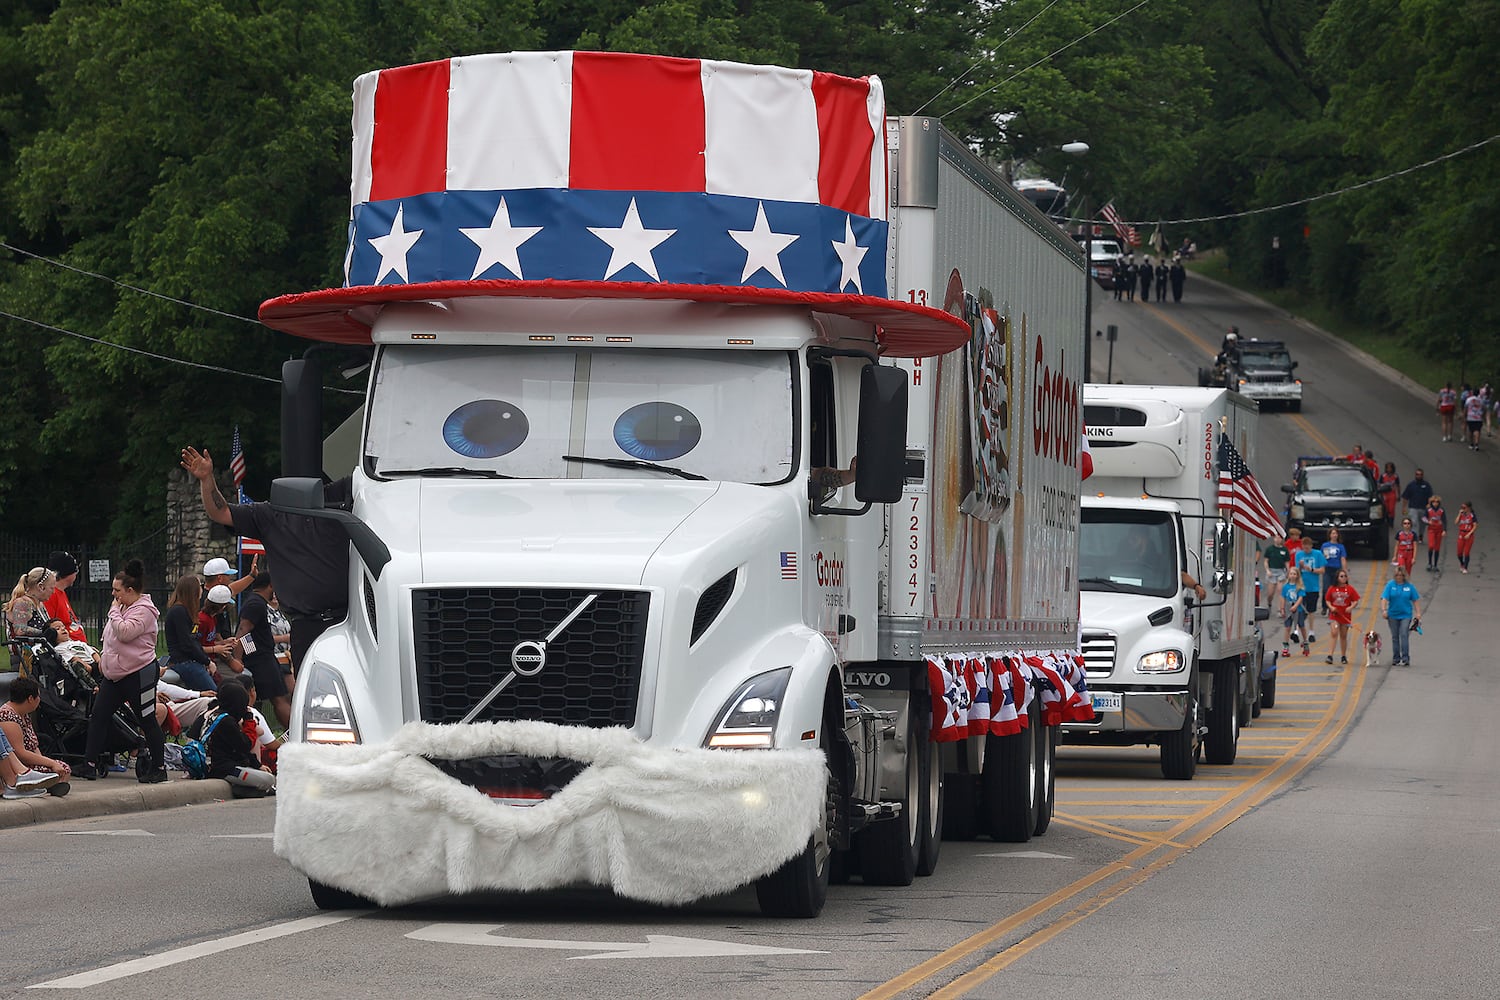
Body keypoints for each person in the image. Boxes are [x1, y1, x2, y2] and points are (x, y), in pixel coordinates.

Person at [181, 446, 352, 672]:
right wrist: (206, 479)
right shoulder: (270, 515)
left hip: (350, 619)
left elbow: (375, 483)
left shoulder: (335, 498)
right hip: (305, 625)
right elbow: (220, 513)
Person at [80, 560, 167, 783]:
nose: (113, 594)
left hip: (139, 673)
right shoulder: (122, 607)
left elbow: (125, 633)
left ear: (130, 590)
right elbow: (111, 637)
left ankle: (159, 767)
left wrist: (114, 610)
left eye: (117, 590)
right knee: (99, 716)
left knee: (146, 719)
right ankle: (88, 763)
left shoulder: (145, 611)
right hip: (115, 675)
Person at [235, 572, 291, 728]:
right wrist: (238, 659)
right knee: (279, 698)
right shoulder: (256, 604)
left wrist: (250, 652)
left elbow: (248, 635)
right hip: (263, 660)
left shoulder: (253, 602)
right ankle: (294, 734)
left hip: (261, 657)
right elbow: (243, 630)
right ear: (270, 585)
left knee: (281, 697)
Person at [204, 680, 276, 795]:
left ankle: (246, 787)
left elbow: (239, 748)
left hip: (218, 764)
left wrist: (258, 765)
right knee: (268, 779)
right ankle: (244, 790)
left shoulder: (215, 715)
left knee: (262, 774)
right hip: (223, 768)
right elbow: (246, 745)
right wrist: (249, 721)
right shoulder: (226, 722)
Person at [0, 676, 71, 791]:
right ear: (30, 699)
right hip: (18, 763)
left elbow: (33, 746)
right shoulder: (7, 717)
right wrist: (50, 763)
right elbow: (20, 753)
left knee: (63, 769)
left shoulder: (23, 714)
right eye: (38, 696)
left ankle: (48, 785)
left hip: (30, 760)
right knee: (59, 769)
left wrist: (44, 762)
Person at [162, 574, 229, 692]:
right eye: (199, 586)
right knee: (214, 694)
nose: (202, 589)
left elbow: (194, 641)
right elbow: (188, 644)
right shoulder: (179, 611)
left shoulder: (185, 611)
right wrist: (207, 661)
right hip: (184, 662)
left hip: (191, 661)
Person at [0, 726, 63, 798]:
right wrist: (52, 763)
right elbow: (21, 753)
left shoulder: (26, 721)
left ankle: (21, 773)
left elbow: (35, 747)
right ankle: (12, 782)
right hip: (25, 762)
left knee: (60, 769)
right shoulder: (9, 718)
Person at [1379, 567, 1420, 666]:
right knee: (1395, 636)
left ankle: (1405, 657)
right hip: (1393, 615)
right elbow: (1384, 598)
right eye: (1397, 575)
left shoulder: (1409, 587)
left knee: (1404, 634)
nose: (1399, 577)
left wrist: (1418, 613)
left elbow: (1415, 600)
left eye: (1401, 575)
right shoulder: (1390, 585)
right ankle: (1396, 658)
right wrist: (1384, 610)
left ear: (1404, 576)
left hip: (1405, 614)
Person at [1322, 569, 1361, 666]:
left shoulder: (1350, 589)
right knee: (1334, 633)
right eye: (1341, 576)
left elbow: (1356, 600)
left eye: (1345, 576)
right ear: (1337, 578)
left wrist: (1350, 607)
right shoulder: (1332, 588)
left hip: (1345, 616)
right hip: (1335, 615)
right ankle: (1330, 655)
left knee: (1343, 636)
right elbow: (1327, 600)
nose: (1343, 578)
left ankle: (1343, 656)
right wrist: (1331, 607)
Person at [1294, 536, 1325, 633]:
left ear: (1311, 546)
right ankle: (1297, 630)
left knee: (1311, 610)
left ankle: (1311, 630)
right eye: (1304, 547)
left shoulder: (1318, 554)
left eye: (1308, 547)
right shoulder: (1299, 555)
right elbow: (1296, 572)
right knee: (1300, 609)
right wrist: (1300, 566)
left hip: (1313, 587)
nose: (1306, 549)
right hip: (1301, 586)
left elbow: (1322, 570)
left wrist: (1311, 569)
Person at [1319, 528, 1347, 618]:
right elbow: (1323, 558)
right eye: (1333, 533)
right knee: (1326, 588)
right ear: (1330, 535)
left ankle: (1334, 607)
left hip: (1337, 570)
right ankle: (1324, 607)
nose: (1334, 535)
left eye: (1336, 533)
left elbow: (1342, 558)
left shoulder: (1340, 547)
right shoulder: (1325, 545)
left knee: (1336, 590)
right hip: (1327, 569)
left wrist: (1344, 570)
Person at [1278, 573, 1306, 658]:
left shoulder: (1299, 586)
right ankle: (1286, 646)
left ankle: (1305, 642)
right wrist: (1282, 609)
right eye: (1291, 574)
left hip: (1298, 609)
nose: (1292, 575)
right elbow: (1283, 598)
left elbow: (1301, 598)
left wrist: (1295, 606)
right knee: (1287, 627)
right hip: (1288, 609)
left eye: (1294, 574)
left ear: (1297, 576)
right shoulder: (1285, 587)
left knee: (1301, 626)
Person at [1258, 536, 1290, 608]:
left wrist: (1288, 571)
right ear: (1274, 539)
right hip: (1272, 571)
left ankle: (1280, 608)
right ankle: (1269, 602)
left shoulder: (1284, 550)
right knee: (1270, 593)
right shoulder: (1270, 549)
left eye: (1279, 538)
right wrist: (1268, 570)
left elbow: (1287, 562)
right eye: (1276, 538)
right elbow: (1266, 561)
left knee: (1280, 590)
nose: (1278, 540)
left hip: (1281, 571)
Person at [1423, 494, 1447, 571]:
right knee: (1431, 546)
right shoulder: (1428, 510)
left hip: (1439, 530)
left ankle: (1435, 565)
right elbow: (1423, 518)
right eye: (1434, 502)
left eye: (1437, 502)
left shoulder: (1441, 510)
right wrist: (1428, 522)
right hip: (1431, 530)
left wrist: (1444, 530)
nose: (1435, 503)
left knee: (1437, 548)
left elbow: (1444, 520)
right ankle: (1430, 563)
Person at [1455, 501, 1477, 574]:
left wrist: (1470, 533)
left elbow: (1475, 525)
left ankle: (1465, 567)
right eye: (1462, 507)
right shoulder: (1462, 515)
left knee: (1466, 552)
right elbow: (1456, 522)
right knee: (1459, 553)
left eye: (1464, 508)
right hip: (1461, 533)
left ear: (1468, 508)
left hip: (1468, 535)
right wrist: (1459, 514)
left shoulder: (1472, 515)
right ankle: (1462, 563)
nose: (1463, 509)